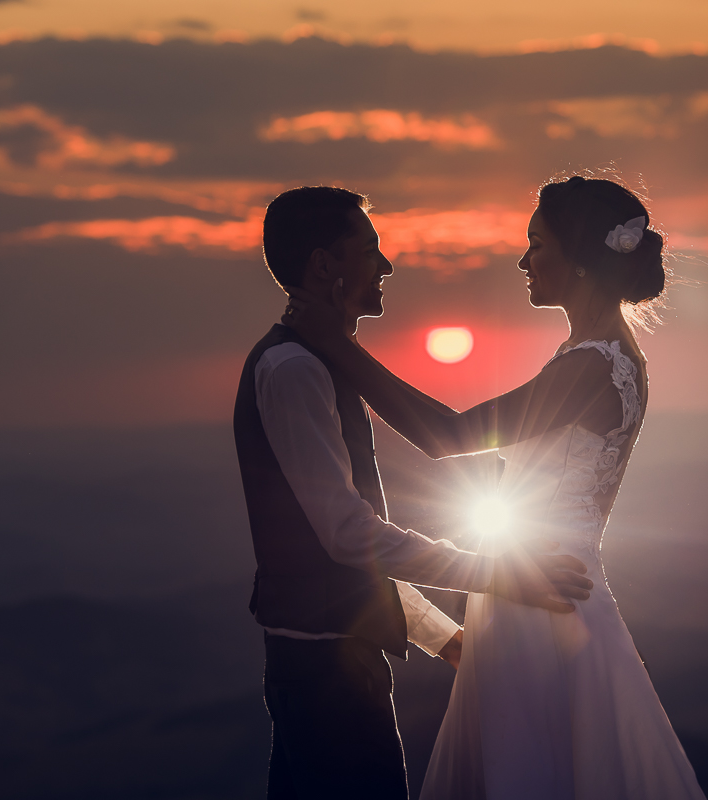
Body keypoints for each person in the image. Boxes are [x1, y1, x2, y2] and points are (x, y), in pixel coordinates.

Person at [283, 175, 708, 799]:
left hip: (538, 600)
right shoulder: (604, 356)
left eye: (536, 244)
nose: (523, 259)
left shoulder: (594, 366)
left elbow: (449, 436)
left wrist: (336, 349)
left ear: (581, 261)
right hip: (533, 587)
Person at [233, 185, 594, 800]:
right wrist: (498, 573)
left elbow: (352, 540)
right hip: (327, 678)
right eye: (370, 248)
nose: (387, 265)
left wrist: (441, 637)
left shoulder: (315, 365)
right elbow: (350, 535)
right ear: (325, 265)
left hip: (331, 664)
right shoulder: (294, 371)